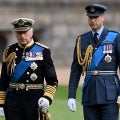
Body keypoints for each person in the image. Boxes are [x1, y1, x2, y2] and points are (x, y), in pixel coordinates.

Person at [67, 3, 120, 120]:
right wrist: (71, 95)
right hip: (90, 93)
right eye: (90, 17)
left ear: (102, 17)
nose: (93, 20)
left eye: (96, 17)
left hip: (109, 94)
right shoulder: (82, 39)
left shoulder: (115, 37)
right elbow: (75, 69)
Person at [0, 18, 58, 120]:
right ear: (15, 33)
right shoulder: (9, 51)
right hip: (13, 101)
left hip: (34, 101)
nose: (22, 36)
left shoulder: (43, 51)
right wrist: (1, 102)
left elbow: (52, 80)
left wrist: (47, 97)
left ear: (32, 32)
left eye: (25, 32)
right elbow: (4, 80)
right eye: (19, 32)